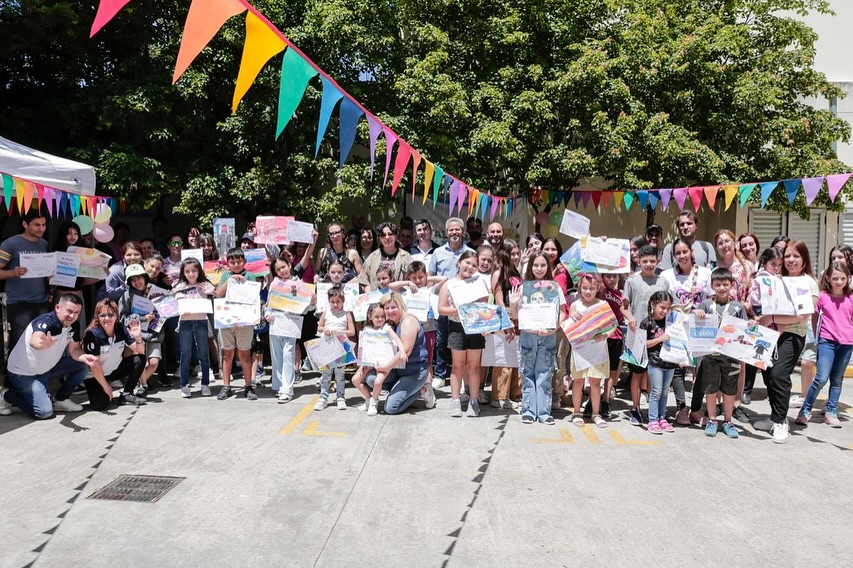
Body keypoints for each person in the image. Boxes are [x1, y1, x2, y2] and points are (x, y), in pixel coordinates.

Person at [752, 241, 817, 444]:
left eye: (796, 256)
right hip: (769, 333)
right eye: (787, 256)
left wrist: (771, 319)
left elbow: (802, 315)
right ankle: (774, 416)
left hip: (792, 336)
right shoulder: (778, 278)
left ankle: (781, 422)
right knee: (768, 373)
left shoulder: (808, 282)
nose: (790, 260)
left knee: (779, 374)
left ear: (804, 259)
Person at [0, 295, 103, 419]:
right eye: (69, 311)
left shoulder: (74, 324)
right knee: (43, 412)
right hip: (24, 374)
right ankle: (4, 393)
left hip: (48, 368)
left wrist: (84, 357)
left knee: (83, 365)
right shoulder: (45, 322)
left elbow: (74, 349)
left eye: (77, 312)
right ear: (58, 307)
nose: (73, 316)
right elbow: (35, 340)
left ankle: (61, 399)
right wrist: (43, 344)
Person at [508, 252, 564, 424]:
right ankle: (529, 409)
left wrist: (553, 329)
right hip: (528, 336)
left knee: (545, 373)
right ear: (530, 267)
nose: (539, 269)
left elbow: (562, 312)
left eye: (543, 265)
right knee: (527, 372)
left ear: (548, 266)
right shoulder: (525, 287)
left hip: (548, 336)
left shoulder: (554, 287)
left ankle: (544, 412)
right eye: (536, 265)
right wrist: (513, 303)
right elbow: (515, 316)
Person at [693, 268, 749, 438]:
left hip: (730, 356)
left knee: (729, 390)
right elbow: (693, 321)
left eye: (725, 284)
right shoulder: (706, 305)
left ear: (732, 285)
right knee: (710, 389)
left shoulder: (738, 307)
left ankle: (728, 421)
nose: (722, 288)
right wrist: (697, 313)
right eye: (718, 285)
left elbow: (745, 329)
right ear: (712, 286)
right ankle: (711, 419)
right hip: (710, 356)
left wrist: (751, 324)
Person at [797, 262, 853, 428]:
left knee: (837, 379)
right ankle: (805, 409)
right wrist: (816, 335)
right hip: (827, 341)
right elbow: (814, 316)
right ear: (828, 278)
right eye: (835, 278)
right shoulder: (822, 296)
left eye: (843, 278)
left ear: (848, 278)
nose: (839, 281)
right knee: (821, 378)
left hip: (846, 344)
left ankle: (831, 411)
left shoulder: (850, 297)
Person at [621, 245, 670, 425]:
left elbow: (669, 306)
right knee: (637, 374)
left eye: (652, 261)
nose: (649, 264)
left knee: (652, 374)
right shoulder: (632, 281)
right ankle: (635, 408)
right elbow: (623, 307)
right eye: (645, 261)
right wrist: (630, 317)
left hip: (657, 334)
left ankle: (653, 411)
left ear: (657, 261)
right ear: (638, 261)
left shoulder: (663, 282)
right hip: (638, 335)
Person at [438, 250, 488, 417]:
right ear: (459, 263)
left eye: (474, 265)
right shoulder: (449, 284)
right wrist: (457, 310)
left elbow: (485, 307)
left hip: (475, 329)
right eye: (467, 263)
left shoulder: (480, 283)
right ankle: (455, 400)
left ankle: (474, 400)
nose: (470, 267)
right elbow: (441, 308)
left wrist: (485, 325)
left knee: (474, 367)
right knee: (458, 366)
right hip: (457, 328)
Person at [366, 292, 431, 415]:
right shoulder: (390, 324)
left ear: (400, 306)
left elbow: (406, 351)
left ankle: (423, 390)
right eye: (387, 308)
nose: (390, 311)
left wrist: (385, 367)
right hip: (398, 370)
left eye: (393, 307)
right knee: (371, 378)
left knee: (391, 408)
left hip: (414, 372)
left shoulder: (408, 322)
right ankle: (401, 390)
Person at [429, 217, 472, 388]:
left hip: (462, 305)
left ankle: (461, 376)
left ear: (463, 232)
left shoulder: (470, 253)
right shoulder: (437, 253)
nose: (454, 232)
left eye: (458, 229)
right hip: (442, 303)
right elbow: (429, 276)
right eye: (451, 230)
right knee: (441, 339)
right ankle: (440, 374)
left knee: (461, 340)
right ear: (447, 232)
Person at [0, 210, 51, 350]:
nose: (41, 228)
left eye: (44, 225)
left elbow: (47, 272)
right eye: (37, 225)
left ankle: (36, 371)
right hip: (18, 303)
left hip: (41, 303)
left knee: (40, 342)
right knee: (20, 344)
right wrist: (13, 272)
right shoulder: (10, 244)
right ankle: (15, 372)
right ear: (25, 224)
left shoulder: (45, 245)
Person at [84, 299, 148, 408]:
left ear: (116, 316)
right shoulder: (92, 334)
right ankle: (103, 387)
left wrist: (138, 338)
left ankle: (127, 394)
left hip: (113, 371)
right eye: (103, 315)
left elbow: (140, 352)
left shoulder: (120, 328)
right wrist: (106, 387)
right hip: (95, 376)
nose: (107, 318)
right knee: (100, 405)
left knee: (140, 359)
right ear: (97, 317)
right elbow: (94, 365)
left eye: (110, 315)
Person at [215, 248, 260, 401]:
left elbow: (253, 298)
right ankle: (226, 386)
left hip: (245, 323)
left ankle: (248, 386)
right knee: (227, 354)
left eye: (239, 262)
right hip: (227, 321)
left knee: (245, 355)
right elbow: (218, 294)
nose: (236, 265)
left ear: (244, 262)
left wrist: (243, 282)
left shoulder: (250, 276)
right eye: (232, 262)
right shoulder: (225, 276)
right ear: (227, 263)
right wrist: (230, 280)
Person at [567, 274, 610, 428]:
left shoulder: (603, 304)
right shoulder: (575, 305)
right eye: (584, 288)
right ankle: (577, 412)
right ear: (580, 287)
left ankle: (596, 413)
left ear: (598, 288)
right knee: (578, 381)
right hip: (580, 349)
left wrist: (606, 334)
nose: (588, 291)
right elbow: (569, 326)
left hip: (597, 348)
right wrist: (572, 318)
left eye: (592, 288)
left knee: (595, 381)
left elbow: (611, 325)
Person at [352, 303, 407, 415]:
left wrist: (402, 351)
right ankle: (368, 398)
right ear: (369, 316)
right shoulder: (367, 329)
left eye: (382, 316)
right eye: (377, 317)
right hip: (369, 361)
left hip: (384, 362)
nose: (380, 319)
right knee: (355, 380)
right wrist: (362, 363)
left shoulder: (387, 328)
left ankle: (374, 402)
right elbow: (364, 347)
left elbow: (397, 339)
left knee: (378, 382)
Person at [117, 264, 164, 395]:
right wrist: (142, 318)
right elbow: (123, 318)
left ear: (144, 277)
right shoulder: (126, 296)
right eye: (133, 279)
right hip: (136, 335)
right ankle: (141, 385)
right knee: (139, 362)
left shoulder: (156, 291)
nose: (137, 282)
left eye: (139, 278)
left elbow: (166, 309)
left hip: (154, 333)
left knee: (154, 362)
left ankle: (139, 381)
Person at [172, 258, 216, 398]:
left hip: (201, 322)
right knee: (185, 355)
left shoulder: (204, 284)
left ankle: (205, 384)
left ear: (199, 271)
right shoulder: (180, 286)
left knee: (203, 354)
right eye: (187, 271)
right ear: (183, 272)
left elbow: (217, 295)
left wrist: (212, 291)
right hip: (185, 322)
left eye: (194, 271)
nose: (191, 274)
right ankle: (184, 385)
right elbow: (170, 302)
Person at [641, 291, 678, 435]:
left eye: (668, 308)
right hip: (655, 362)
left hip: (670, 362)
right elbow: (642, 344)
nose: (665, 311)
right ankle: (653, 420)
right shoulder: (647, 322)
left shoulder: (672, 322)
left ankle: (662, 418)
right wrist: (660, 339)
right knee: (656, 391)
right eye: (662, 307)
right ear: (653, 305)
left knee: (664, 392)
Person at [314, 286, 356, 410]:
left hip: (341, 348)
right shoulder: (326, 312)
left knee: (340, 374)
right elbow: (319, 328)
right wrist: (325, 329)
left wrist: (342, 332)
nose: (335, 304)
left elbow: (352, 331)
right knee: (326, 374)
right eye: (332, 302)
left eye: (338, 301)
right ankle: (323, 398)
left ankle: (340, 397)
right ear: (329, 301)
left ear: (343, 301)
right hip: (327, 347)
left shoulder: (346, 314)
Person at [359, 222, 412, 291]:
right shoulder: (372, 257)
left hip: (399, 299)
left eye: (390, 234)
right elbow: (364, 281)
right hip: (377, 300)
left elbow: (412, 279)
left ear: (396, 236)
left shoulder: (406, 257)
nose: (387, 237)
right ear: (380, 238)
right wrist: (370, 296)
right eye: (383, 235)